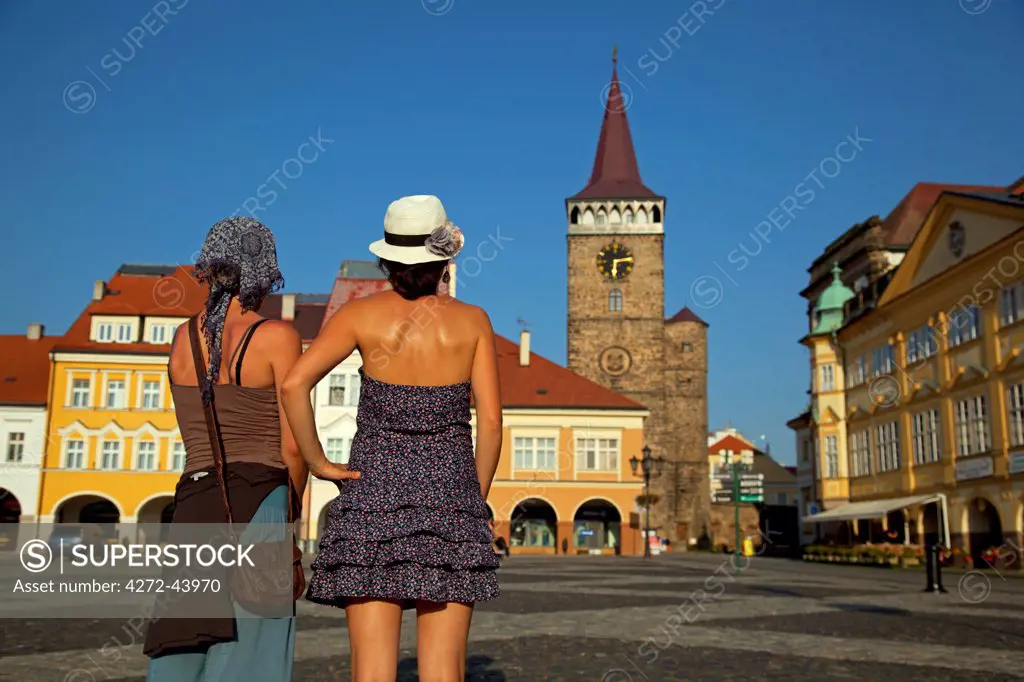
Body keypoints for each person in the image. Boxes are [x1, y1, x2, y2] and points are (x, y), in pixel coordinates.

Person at [282, 194, 502, 682]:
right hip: (449, 499)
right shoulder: (473, 322)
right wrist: (474, 498)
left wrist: (320, 462)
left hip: (371, 498)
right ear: (443, 259)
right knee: (444, 671)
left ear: (387, 259)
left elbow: (295, 384)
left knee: (372, 670)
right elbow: (489, 422)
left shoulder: (361, 315)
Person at [144, 217, 306, 682]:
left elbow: (192, 435)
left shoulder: (180, 341)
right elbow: (292, 447)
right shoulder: (277, 337)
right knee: (253, 649)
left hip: (195, 503)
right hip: (261, 498)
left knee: (181, 646)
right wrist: (289, 512)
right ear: (263, 270)